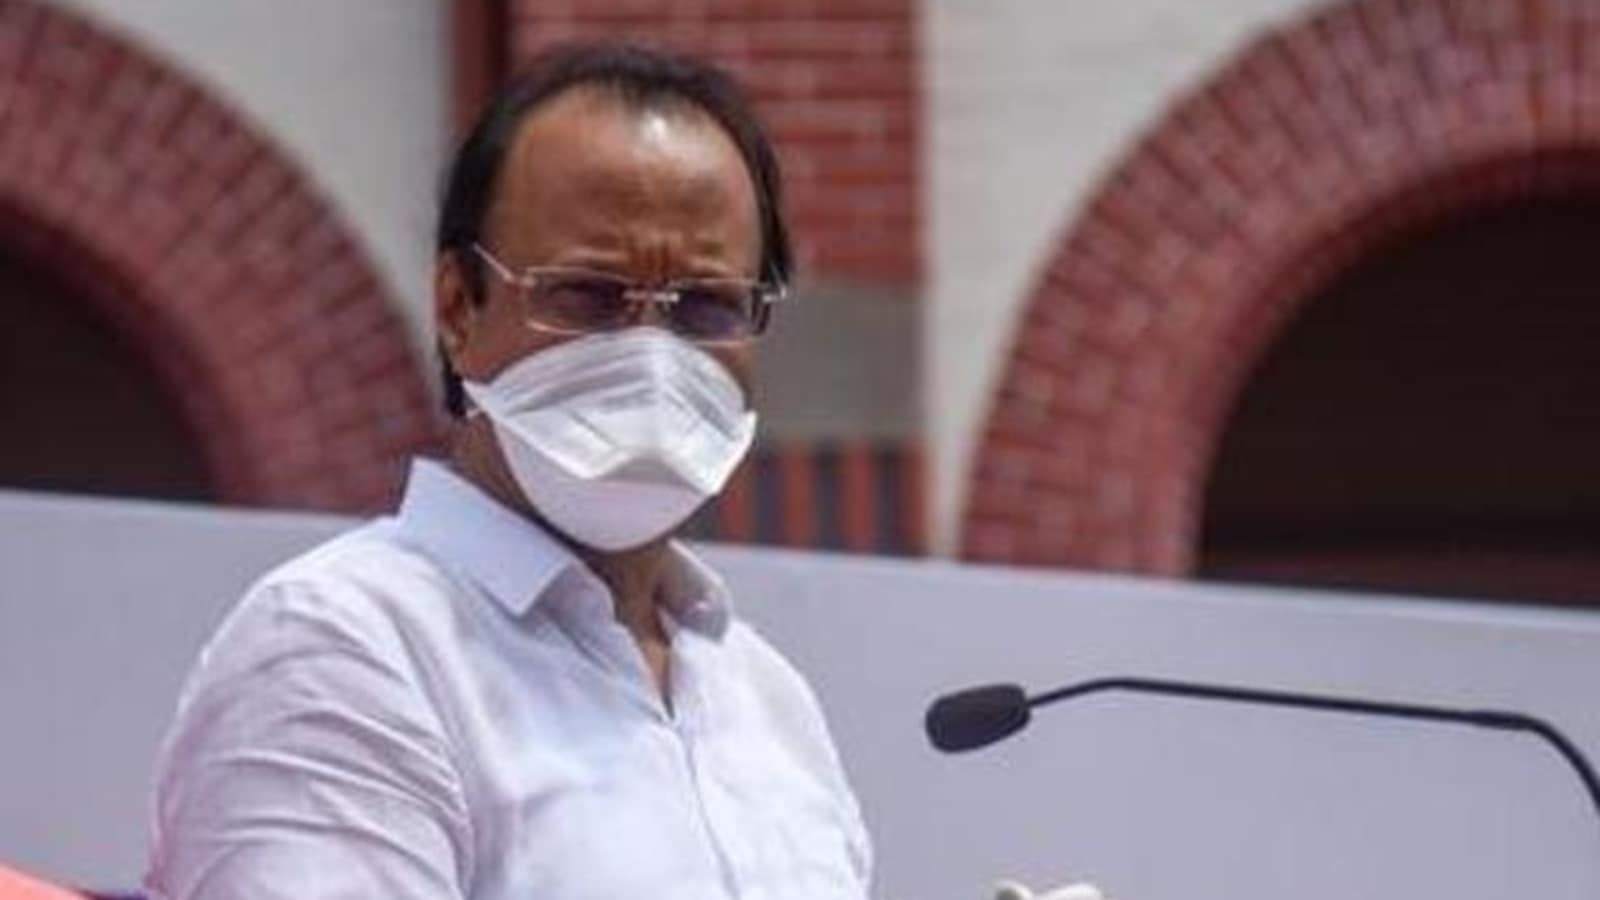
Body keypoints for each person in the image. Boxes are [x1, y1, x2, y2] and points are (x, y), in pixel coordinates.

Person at [144, 43, 872, 900]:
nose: (651, 358)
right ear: (458, 308)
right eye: (589, 296)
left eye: (709, 306)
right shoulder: (344, 648)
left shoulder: (769, 701)